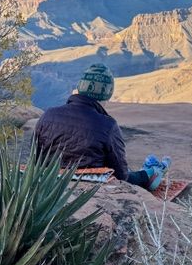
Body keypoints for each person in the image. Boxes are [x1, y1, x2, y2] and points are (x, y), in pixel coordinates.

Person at [34, 63, 168, 190]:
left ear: (80, 87)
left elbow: (36, 159)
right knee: (131, 173)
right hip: (91, 182)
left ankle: (150, 170)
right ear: (106, 94)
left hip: (50, 181)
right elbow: (121, 175)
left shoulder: (48, 115)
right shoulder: (107, 125)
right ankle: (151, 172)